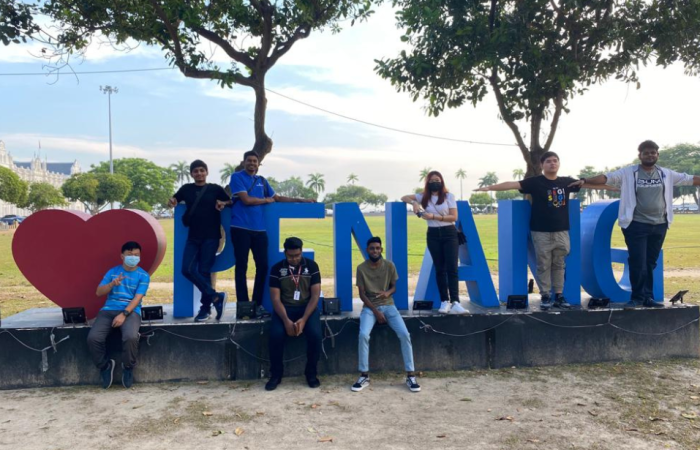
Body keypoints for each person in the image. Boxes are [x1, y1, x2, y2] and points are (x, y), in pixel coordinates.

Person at [583, 140, 700, 307]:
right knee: (638, 262)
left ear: (657, 155)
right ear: (640, 155)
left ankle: (648, 298)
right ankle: (637, 298)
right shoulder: (628, 173)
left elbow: (689, 179)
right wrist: (584, 180)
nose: (650, 155)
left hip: (659, 225)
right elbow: (607, 177)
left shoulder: (666, 174)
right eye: (646, 153)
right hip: (636, 224)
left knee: (650, 263)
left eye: (653, 152)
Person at [475, 151, 597, 310]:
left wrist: (616, 187)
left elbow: (590, 184)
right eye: (548, 161)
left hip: (561, 231)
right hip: (541, 231)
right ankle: (545, 295)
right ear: (542, 165)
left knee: (559, 264)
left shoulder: (566, 182)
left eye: (555, 161)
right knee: (543, 264)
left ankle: (558, 296)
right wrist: (489, 188)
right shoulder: (535, 182)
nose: (552, 163)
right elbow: (513, 184)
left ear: (559, 163)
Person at [229, 151, 315, 316]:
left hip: (259, 230)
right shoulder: (237, 177)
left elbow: (278, 198)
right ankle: (243, 305)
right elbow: (246, 200)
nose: (252, 164)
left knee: (263, 266)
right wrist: (266, 200)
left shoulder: (262, 181)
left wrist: (302, 200)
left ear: (258, 164)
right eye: (249, 161)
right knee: (241, 266)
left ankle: (256, 305)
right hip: (240, 228)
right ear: (244, 162)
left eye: (255, 161)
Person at [352, 237, 420, 393]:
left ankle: (411, 375)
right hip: (370, 308)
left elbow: (394, 287)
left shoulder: (389, 265)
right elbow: (362, 295)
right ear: (367, 250)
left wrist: (387, 293)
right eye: (372, 248)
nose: (375, 251)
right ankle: (364, 375)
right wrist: (376, 312)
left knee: (404, 334)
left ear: (381, 249)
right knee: (363, 335)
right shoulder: (361, 268)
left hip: (389, 306)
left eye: (377, 248)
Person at [169, 160, 231, 322]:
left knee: (204, 271)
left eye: (202, 170)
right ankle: (216, 296)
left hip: (211, 237)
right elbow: (175, 199)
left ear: (207, 172)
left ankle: (205, 309)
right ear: (191, 174)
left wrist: (223, 202)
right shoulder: (186, 189)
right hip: (193, 237)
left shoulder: (215, 189)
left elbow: (231, 201)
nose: (199, 173)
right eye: (195, 171)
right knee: (187, 269)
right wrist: (172, 201)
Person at [401, 171, 467, 315]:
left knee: (452, 268)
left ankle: (455, 302)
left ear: (441, 181)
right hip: (433, 234)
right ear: (427, 183)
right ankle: (444, 301)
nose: (434, 183)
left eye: (437, 180)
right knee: (439, 269)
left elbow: (453, 217)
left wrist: (433, 216)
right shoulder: (423, 196)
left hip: (449, 233)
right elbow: (404, 197)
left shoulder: (449, 196)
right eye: (431, 181)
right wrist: (414, 202)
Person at [87, 241, 150, 389]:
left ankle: (128, 367)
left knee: (130, 337)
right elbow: (98, 292)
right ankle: (105, 366)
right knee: (93, 338)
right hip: (108, 309)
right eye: (130, 254)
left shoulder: (143, 275)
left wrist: (124, 314)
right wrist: (111, 285)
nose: (133, 257)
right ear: (122, 256)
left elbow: (137, 299)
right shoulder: (112, 272)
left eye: (136, 255)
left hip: (130, 311)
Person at [265, 237, 323, 391]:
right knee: (275, 335)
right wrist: (286, 320)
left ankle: (311, 373)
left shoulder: (312, 266)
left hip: (307, 309)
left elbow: (315, 296)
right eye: (291, 256)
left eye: (297, 255)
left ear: (301, 251)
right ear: (285, 253)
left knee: (316, 335)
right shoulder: (277, 269)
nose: (294, 259)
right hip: (285, 309)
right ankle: (276, 374)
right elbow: (275, 299)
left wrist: (303, 319)